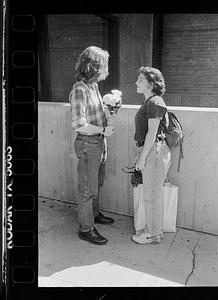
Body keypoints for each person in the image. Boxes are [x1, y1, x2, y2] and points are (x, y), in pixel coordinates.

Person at [69, 46, 119, 246]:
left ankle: (94, 214)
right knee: (87, 188)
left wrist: (111, 110)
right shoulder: (80, 89)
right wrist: (101, 131)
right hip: (88, 144)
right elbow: (78, 124)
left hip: (98, 143)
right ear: (94, 66)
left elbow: (98, 115)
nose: (106, 70)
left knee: (96, 183)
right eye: (104, 65)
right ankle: (86, 228)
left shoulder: (94, 87)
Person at [132, 66, 171, 245]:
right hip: (150, 151)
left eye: (140, 79)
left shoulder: (155, 102)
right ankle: (153, 230)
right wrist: (140, 155)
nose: (136, 82)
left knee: (151, 195)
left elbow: (152, 133)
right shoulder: (149, 102)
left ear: (151, 83)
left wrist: (141, 158)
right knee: (150, 194)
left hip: (154, 152)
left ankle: (154, 235)